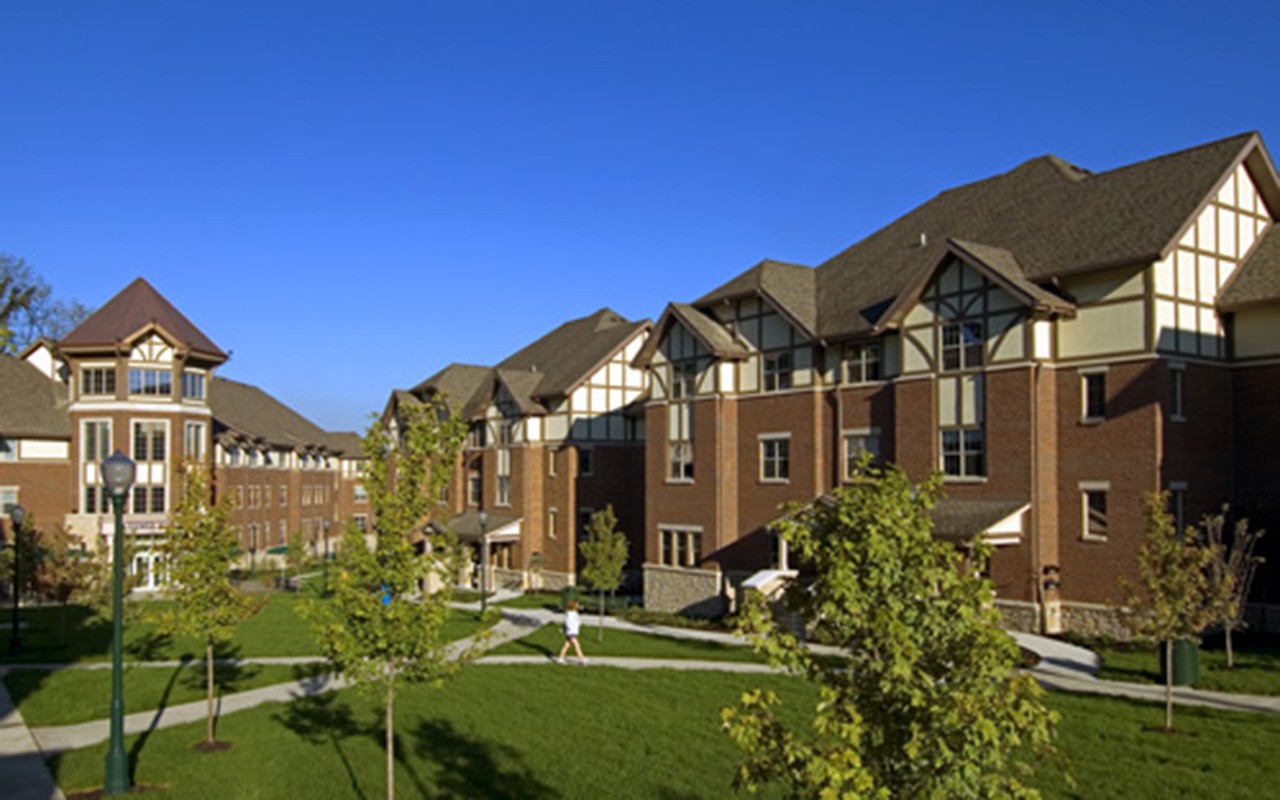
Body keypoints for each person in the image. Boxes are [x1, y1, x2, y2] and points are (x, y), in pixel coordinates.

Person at [555, 599, 587, 665]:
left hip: (573, 632)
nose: (578, 605)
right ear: (573, 606)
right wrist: (567, 629)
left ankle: (560, 658)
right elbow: (567, 623)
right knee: (577, 645)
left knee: (566, 645)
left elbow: (577, 621)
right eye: (577, 604)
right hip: (571, 632)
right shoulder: (570, 614)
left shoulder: (574, 613)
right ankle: (582, 659)